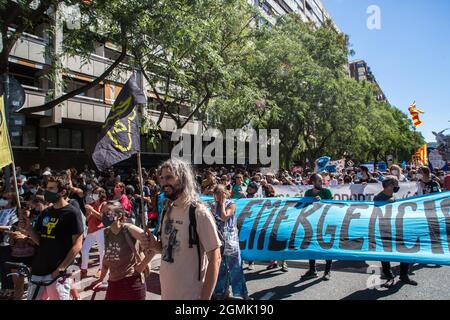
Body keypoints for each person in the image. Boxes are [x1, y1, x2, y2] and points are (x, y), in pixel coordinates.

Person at [142, 159, 222, 300]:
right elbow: (168, 249)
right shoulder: (168, 209)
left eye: (169, 177)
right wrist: (154, 244)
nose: (164, 182)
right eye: (161, 178)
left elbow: (215, 259)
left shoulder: (199, 213)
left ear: (183, 178)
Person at [20, 175, 84, 300]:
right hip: (39, 269)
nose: (46, 191)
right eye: (46, 188)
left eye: (51, 188)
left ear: (62, 192)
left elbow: (77, 244)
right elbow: (40, 241)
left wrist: (61, 268)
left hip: (57, 273)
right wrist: (28, 228)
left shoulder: (72, 213)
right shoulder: (46, 212)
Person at [89, 201, 154, 300]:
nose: (104, 216)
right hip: (113, 283)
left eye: (108, 212)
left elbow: (154, 244)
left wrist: (141, 267)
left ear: (119, 215)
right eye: (102, 212)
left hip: (132, 283)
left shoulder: (128, 229)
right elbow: (107, 259)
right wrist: (101, 279)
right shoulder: (106, 232)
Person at [374, 176, 417, 286]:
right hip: (385, 228)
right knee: (385, 254)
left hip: (398, 227)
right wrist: (388, 202)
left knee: (404, 251)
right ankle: (389, 277)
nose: (397, 187)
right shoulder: (378, 197)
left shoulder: (394, 196)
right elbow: (377, 212)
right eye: (395, 185)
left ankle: (404, 275)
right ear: (389, 186)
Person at [211, 185, 251, 300]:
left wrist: (222, 204)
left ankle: (243, 294)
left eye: (220, 193)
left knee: (236, 269)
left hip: (231, 241)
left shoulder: (231, 203)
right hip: (219, 241)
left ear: (225, 193)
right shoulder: (213, 205)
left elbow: (224, 217)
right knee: (220, 269)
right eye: (216, 193)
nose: (217, 196)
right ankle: (221, 292)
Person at [301, 174, 333, 281]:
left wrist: (321, 201)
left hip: (326, 222)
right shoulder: (308, 193)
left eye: (322, 180)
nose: (322, 182)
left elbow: (333, 206)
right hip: (312, 223)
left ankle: (327, 271)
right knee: (311, 245)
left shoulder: (326, 192)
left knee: (327, 246)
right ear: (313, 182)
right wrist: (310, 201)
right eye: (319, 180)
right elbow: (304, 206)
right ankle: (312, 270)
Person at [80, 187, 107, 279]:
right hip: (91, 230)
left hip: (100, 229)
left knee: (101, 251)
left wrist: (92, 210)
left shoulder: (104, 204)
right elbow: (87, 220)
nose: (94, 194)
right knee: (84, 250)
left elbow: (102, 217)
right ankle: (84, 269)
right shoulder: (91, 204)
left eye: (96, 193)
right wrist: (89, 213)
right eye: (94, 192)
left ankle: (101, 270)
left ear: (101, 194)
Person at [0, 192, 19, 299]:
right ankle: (4, 287)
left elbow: (13, 226)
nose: (3, 200)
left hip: (8, 243)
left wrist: (2, 227)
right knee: (2, 267)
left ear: (12, 200)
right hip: (1, 242)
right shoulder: (2, 211)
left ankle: (10, 288)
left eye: (6, 198)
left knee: (8, 267)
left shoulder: (14, 211)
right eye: (3, 198)